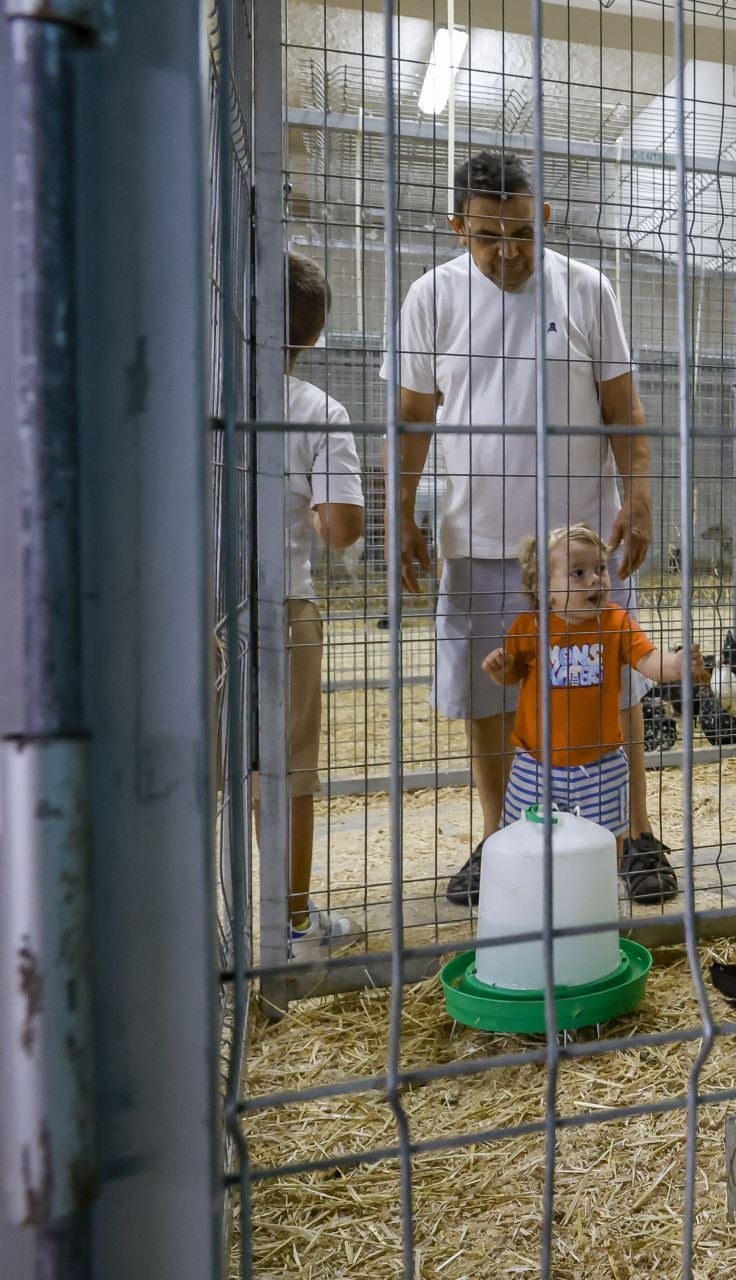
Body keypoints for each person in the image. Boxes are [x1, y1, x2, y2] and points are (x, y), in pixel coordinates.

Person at [383, 149, 675, 906]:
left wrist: (637, 497)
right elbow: (413, 417)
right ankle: (501, 840)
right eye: (488, 236)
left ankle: (634, 835)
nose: (508, 251)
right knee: (492, 697)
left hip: (578, 551)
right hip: (475, 540)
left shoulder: (586, 288)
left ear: (541, 215)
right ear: (458, 228)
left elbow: (624, 409)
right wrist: (401, 509)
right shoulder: (431, 298)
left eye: (520, 230)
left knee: (616, 690)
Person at [482, 525, 698, 902]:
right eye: (578, 573)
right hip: (536, 764)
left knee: (606, 836)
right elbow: (514, 675)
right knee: (528, 835)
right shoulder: (530, 626)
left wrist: (676, 664)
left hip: (601, 763)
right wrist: (500, 671)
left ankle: (599, 889)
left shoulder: (616, 622)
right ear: (543, 589)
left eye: (600, 568)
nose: (595, 578)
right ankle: (534, 895)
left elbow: (647, 660)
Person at [281, 251, 367, 960]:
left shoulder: (194, 391)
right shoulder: (316, 408)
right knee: (287, 772)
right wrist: (311, 513)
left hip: (189, 606)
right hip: (282, 605)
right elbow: (342, 528)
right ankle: (292, 921)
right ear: (311, 337)